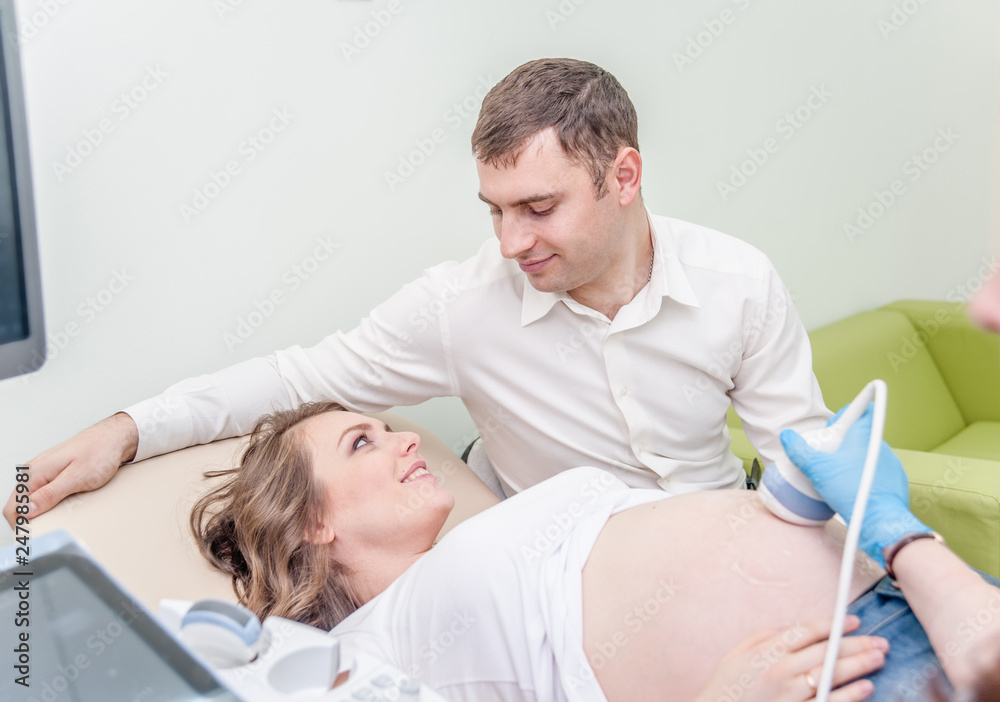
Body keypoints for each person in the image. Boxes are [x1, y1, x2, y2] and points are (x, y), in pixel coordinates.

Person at [5, 57, 831, 528]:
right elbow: (294, 379)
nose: (511, 243)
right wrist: (127, 429)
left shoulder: (738, 282)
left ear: (624, 177)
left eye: (539, 208)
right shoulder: (461, 306)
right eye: (496, 210)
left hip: (731, 531)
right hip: (585, 583)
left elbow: (811, 457)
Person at [192, 401, 1000, 702]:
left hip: (931, 595)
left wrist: (890, 529)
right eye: (362, 442)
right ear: (309, 522)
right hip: (855, 669)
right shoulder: (354, 657)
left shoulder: (477, 541)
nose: (407, 439)